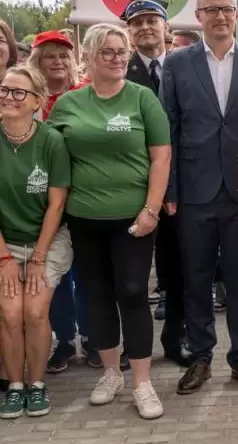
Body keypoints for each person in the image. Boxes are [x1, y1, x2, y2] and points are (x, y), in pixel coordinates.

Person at [48, 23, 171, 419]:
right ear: (88, 56)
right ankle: (110, 373)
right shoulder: (68, 104)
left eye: (122, 51)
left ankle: (142, 383)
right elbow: (49, 154)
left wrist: (151, 209)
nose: (118, 58)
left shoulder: (142, 98)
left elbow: (161, 157)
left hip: (133, 220)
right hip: (84, 218)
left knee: (133, 293)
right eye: (108, 52)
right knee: (96, 295)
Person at [160, 0, 238, 394]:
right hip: (194, 190)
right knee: (196, 279)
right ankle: (200, 357)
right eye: (212, 10)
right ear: (199, 16)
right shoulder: (177, 63)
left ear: (237, 14)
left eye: (227, 9)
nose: (220, 16)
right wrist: (170, 189)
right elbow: (168, 127)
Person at [121, 0, 191, 367]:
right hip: (134, 187)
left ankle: (175, 339)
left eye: (152, 20)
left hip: (178, 187)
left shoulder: (184, 66)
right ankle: (133, 346)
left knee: (177, 270)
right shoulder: (120, 70)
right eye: (137, 23)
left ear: (167, 27)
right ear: (129, 32)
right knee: (130, 276)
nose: (145, 27)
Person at [0, 66, 72, 419]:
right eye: (3, 90)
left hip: (48, 239)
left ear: (37, 102)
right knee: (10, 312)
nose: (8, 97)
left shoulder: (51, 141)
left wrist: (39, 257)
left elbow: (57, 205)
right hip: (5, 243)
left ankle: (37, 384)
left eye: (18, 92)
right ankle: (16, 386)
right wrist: (5, 260)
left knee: (34, 311)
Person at [26, 31, 93, 374]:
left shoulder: (86, 95)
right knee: (56, 276)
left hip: (82, 197)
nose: (57, 62)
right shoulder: (28, 100)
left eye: (63, 55)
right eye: (49, 55)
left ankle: (94, 338)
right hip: (43, 202)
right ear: (36, 61)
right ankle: (65, 339)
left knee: (89, 272)